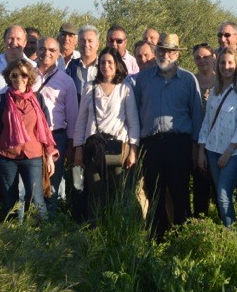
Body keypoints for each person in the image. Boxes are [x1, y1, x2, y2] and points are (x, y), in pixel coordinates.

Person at [129, 33, 204, 239]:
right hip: (151, 144)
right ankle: (157, 239)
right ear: (156, 52)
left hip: (178, 143)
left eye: (170, 51)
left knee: (179, 192)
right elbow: (135, 112)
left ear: (177, 55)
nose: (166, 55)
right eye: (162, 50)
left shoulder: (188, 80)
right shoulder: (143, 79)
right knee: (154, 193)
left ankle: (182, 238)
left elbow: (197, 115)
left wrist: (196, 148)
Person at [0, 59, 58, 223]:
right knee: (11, 200)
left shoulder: (37, 99)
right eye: (15, 75)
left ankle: (44, 236)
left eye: (24, 75)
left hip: (32, 156)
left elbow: (45, 131)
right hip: (6, 157)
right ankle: (14, 240)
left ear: (30, 78)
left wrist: (49, 156)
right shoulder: (1, 100)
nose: (19, 79)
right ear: (9, 77)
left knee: (36, 198)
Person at [72, 48, 140, 222]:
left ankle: (118, 230)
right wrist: (78, 148)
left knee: (119, 192)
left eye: (110, 62)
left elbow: (133, 121)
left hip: (118, 148)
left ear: (117, 65)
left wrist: (133, 150)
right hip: (94, 149)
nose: (106, 66)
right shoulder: (90, 87)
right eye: (102, 62)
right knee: (95, 193)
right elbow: (81, 121)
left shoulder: (124, 88)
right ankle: (95, 233)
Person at [198, 48, 237, 232]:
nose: (226, 67)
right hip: (213, 149)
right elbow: (207, 121)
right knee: (220, 194)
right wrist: (201, 150)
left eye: (230, 62)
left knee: (223, 194)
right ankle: (229, 232)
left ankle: (231, 233)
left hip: (235, 152)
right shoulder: (214, 90)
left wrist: (228, 152)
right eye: (223, 63)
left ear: (236, 65)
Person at [33, 37, 79, 214]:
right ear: (37, 51)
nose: (47, 53)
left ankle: (50, 226)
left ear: (58, 54)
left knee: (52, 183)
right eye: (43, 49)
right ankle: (29, 225)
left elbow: (72, 117)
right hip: (32, 137)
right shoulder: (27, 76)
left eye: (52, 50)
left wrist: (70, 145)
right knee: (32, 180)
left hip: (56, 136)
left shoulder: (66, 81)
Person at [189, 42, 218, 219]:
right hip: (196, 139)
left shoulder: (222, 80)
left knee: (219, 188)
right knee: (199, 186)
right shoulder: (191, 81)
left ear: (213, 57)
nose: (202, 61)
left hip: (219, 141)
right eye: (198, 58)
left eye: (206, 57)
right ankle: (200, 224)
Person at [0, 25, 35, 95]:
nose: (14, 42)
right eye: (10, 38)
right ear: (4, 40)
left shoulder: (33, 67)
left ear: (25, 43)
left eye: (18, 39)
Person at [65, 25, 100, 96]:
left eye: (90, 41)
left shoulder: (104, 66)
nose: (86, 44)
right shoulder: (71, 66)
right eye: (82, 41)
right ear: (78, 43)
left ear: (97, 45)